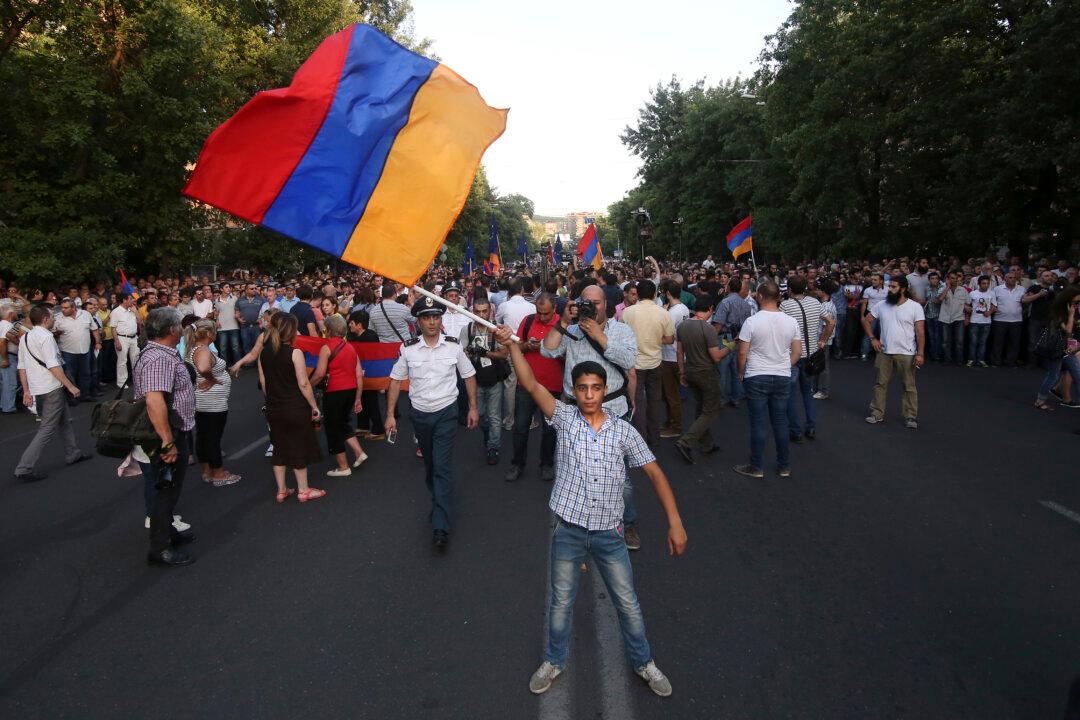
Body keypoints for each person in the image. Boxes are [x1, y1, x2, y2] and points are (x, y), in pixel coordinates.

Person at [494, 326, 687, 699]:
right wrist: (512, 346)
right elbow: (532, 384)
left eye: (595, 388)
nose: (588, 395)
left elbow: (655, 474)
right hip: (568, 530)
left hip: (609, 535)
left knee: (627, 603)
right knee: (561, 602)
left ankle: (643, 661)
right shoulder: (564, 420)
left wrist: (675, 523)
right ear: (574, 390)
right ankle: (554, 660)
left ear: (604, 390)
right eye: (581, 388)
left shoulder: (623, 432)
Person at [541, 284, 641, 549]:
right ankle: (575, 522)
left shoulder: (621, 330)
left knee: (620, 477)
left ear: (605, 304)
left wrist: (600, 336)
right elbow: (547, 350)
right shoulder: (571, 331)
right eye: (585, 302)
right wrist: (563, 321)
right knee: (570, 467)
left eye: (596, 303)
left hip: (612, 411)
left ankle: (627, 523)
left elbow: (630, 361)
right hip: (574, 412)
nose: (591, 307)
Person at [385, 296, 478, 549]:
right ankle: (439, 502)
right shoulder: (408, 348)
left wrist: (472, 407)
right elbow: (395, 380)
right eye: (427, 318)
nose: (432, 322)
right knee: (430, 466)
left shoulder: (453, 346)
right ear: (418, 321)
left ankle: (440, 526)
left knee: (441, 468)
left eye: (436, 317)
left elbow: (469, 375)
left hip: (446, 412)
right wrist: (391, 414)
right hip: (420, 415)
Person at [132, 307, 197, 566]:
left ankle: (168, 532)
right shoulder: (159, 358)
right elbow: (155, 402)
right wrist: (168, 442)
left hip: (174, 429)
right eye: (179, 325)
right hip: (165, 435)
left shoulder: (162, 353)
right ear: (171, 330)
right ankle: (160, 548)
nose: (182, 329)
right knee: (165, 490)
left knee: (171, 488)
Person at [14, 304, 92, 481]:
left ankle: (73, 453)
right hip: (51, 387)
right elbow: (53, 365)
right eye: (52, 316)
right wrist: (70, 386)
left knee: (65, 421)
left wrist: (26, 390)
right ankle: (24, 467)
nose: (54, 319)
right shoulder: (47, 337)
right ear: (45, 319)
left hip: (38, 387)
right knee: (47, 428)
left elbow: (22, 366)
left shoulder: (25, 337)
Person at [733, 282, 800, 479]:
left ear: (760, 296)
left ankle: (756, 466)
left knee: (758, 422)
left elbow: (742, 353)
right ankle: (784, 465)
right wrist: (785, 366)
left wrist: (741, 372)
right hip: (781, 375)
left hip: (756, 375)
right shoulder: (791, 321)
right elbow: (797, 351)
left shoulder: (752, 322)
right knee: (780, 421)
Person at [259, 312, 326, 503]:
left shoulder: (264, 352)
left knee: (279, 446)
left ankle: (281, 490)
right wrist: (314, 406)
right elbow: (304, 383)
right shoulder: (294, 353)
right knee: (298, 445)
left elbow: (263, 382)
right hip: (294, 406)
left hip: (273, 405)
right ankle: (303, 490)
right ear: (290, 331)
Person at [507, 293, 563, 482]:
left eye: (546, 314)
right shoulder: (529, 321)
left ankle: (546, 464)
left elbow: (568, 355)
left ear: (554, 309)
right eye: (539, 313)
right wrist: (526, 346)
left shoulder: (562, 326)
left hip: (552, 386)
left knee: (550, 430)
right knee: (521, 427)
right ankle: (517, 464)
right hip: (526, 385)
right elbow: (516, 347)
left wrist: (548, 349)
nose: (542, 317)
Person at [862, 276, 925, 428]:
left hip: (907, 353)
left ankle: (910, 416)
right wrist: (872, 339)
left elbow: (920, 331)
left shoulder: (915, 307)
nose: (889, 289)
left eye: (893, 287)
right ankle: (877, 413)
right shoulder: (882, 305)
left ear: (903, 288)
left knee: (909, 386)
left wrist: (920, 353)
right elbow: (866, 320)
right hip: (885, 351)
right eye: (889, 286)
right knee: (880, 384)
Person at [183, 319, 239, 486]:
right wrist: (212, 379)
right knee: (212, 438)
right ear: (208, 333)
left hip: (204, 400)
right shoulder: (203, 350)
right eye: (214, 330)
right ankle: (219, 473)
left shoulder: (195, 348)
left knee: (203, 436)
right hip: (211, 402)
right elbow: (203, 368)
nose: (216, 333)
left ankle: (207, 471)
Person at [310, 314, 368, 476]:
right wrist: (358, 397)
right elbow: (358, 375)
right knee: (343, 423)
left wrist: (307, 385)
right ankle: (358, 452)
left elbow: (320, 373)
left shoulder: (326, 347)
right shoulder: (350, 347)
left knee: (333, 428)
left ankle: (343, 467)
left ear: (328, 330)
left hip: (334, 391)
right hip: (350, 390)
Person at [621, 279, 675, 448]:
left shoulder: (627, 313)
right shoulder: (663, 313)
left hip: (634, 364)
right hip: (655, 362)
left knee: (636, 401)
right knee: (654, 400)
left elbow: (621, 336)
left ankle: (640, 440)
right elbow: (669, 339)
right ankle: (654, 437)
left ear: (638, 293)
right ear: (653, 294)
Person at [675, 294, 729, 463]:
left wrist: (681, 373)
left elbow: (679, 352)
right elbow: (717, 357)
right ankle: (686, 441)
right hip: (706, 373)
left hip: (691, 371)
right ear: (710, 309)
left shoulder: (682, 326)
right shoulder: (708, 329)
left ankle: (707, 443)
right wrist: (731, 346)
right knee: (711, 409)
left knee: (702, 408)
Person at [780, 276, 833, 442]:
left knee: (791, 395)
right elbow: (830, 322)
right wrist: (823, 340)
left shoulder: (785, 305)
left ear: (789, 289)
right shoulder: (815, 302)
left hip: (792, 356)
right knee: (807, 393)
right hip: (811, 354)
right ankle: (811, 428)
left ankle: (795, 431)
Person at [459, 298, 509, 464]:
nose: (481, 314)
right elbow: (462, 353)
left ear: (490, 312)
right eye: (478, 311)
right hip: (475, 379)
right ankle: (488, 435)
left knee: (494, 416)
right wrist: (468, 353)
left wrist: (484, 353)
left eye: (484, 311)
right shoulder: (467, 329)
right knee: (480, 415)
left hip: (494, 379)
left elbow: (504, 354)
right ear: (473, 312)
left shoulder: (497, 330)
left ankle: (493, 447)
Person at [495, 278, 536, 432]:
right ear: (521, 291)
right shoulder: (532, 307)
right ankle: (529, 420)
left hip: (510, 348)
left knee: (510, 385)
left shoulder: (504, 306)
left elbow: (497, 322)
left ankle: (509, 420)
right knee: (528, 383)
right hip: (526, 348)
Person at [1034, 287, 1080, 411]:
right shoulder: (1059, 313)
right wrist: (1071, 315)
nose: (1076, 305)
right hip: (1057, 349)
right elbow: (1068, 331)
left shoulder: (1065, 310)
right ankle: (1040, 400)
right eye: (1075, 302)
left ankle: (1042, 399)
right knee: (1053, 375)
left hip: (1066, 349)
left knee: (1076, 374)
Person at [712, 277, 752, 407]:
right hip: (740, 337)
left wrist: (711, 338)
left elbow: (718, 324)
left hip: (725, 338)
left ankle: (722, 399)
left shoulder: (725, 303)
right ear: (740, 288)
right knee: (736, 370)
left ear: (728, 288)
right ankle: (736, 397)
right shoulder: (746, 304)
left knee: (722, 370)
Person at [348, 309, 386, 440]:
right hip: (357, 374)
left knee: (372, 402)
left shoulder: (371, 336)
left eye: (352, 323)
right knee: (361, 399)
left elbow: (376, 356)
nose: (350, 325)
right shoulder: (352, 336)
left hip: (369, 375)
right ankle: (363, 426)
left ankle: (378, 430)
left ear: (359, 324)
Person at [659, 279, 689, 439]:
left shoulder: (672, 312)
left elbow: (665, 334)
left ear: (668, 293)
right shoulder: (683, 308)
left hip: (670, 355)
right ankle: (671, 421)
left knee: (671, 394)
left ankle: (675, 426)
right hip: (677, 354)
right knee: (670, 393)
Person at [54, 298, 99, 403]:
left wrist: (97, 342)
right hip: (67, 351)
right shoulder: (59, 319)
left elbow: (94, 329)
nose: (63, 310)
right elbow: (52, 334)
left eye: (65, 308)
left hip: (85, 350)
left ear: (73, 307)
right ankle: (73, 397)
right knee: (70, 375)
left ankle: (85, 395)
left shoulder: (85, 314)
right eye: (62, 308)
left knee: (86, 373)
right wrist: (57, 334)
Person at [990, 270, 1025, 366]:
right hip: (999, 319)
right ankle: (996, 361)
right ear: (1005, 279)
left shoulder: (1022, 289)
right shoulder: (997, 289)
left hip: (1017, 320)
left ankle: (1011, 361)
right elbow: (992, 303)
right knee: (998, 342)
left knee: (1014, 343)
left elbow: (1024, 302)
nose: (1012, 279)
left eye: (1014, 278)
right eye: (1010, 278)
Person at [938, 271, 971, 365]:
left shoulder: (963, 290)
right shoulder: (943, 288)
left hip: (959, 318)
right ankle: (947, 359)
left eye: (956, 278)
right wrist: (947, 287)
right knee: (945, 341)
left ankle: (959, 360)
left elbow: (968, 304)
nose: (955, 280)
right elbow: (940, 299)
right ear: (948, 279)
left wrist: (967, 318)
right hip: (945, 318)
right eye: (952, 278)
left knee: (959, 341)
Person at [109, 292, 140, 387]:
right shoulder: (116, 312)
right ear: (124, 300)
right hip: (122, 338)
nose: (133, 301)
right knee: (122, 361)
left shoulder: (132, 310)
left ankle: (138, 380)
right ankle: (122, 383)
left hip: (134, 337)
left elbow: (140, 322)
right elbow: (113, 328)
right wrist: (117, 341)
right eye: (130, 299)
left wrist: (136, 312)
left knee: (136, 359)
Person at [966, 275, 997, 367]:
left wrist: (990, 312)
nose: (986, 285)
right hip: (974, 320)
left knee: (983, 342)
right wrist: (968, 311)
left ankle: (981, 359)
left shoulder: (991, 293)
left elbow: (994, 306)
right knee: (973, 341)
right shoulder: (973, 293)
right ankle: (971, 359)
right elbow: (966, 304)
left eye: (987, 283)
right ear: (979, 284)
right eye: (984, 283)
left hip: (986, 321)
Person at [214, 282, 241, 366]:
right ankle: (224, 367)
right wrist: (216, 321)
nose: (229, 288)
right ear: (221, 289)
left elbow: (238, 310)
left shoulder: (235, 298)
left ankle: (237, 365)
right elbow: (216, 312)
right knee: (222, 349)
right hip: (222, 327)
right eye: (226, 287)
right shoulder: (217, 300)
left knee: (235, 348)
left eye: (229, 287)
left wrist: (238, 314)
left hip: (234, 326)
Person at [0, 303, 20, 413]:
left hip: (4, 355)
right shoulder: (7, 325)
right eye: (15, 311)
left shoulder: (2, 324)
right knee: (10, 382)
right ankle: (8, 407)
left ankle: (4, 404)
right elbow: (2, 342)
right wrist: (5, 359)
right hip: (7, 355)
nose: (17, 313)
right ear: (11, 314)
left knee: (4, 382)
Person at [235, 283, 264, 356]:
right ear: (246, 290)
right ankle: (248, 364)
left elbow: (265, 312)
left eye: (255, 288)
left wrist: (261, 320)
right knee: (246, 345)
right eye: (252, 289)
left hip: (257, 327)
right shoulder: (239, 300)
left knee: (258, 345)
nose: (254, 290)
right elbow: (237, 312)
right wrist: (238, 319)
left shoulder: (261, 300)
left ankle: (258, 364)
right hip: (245, 326)